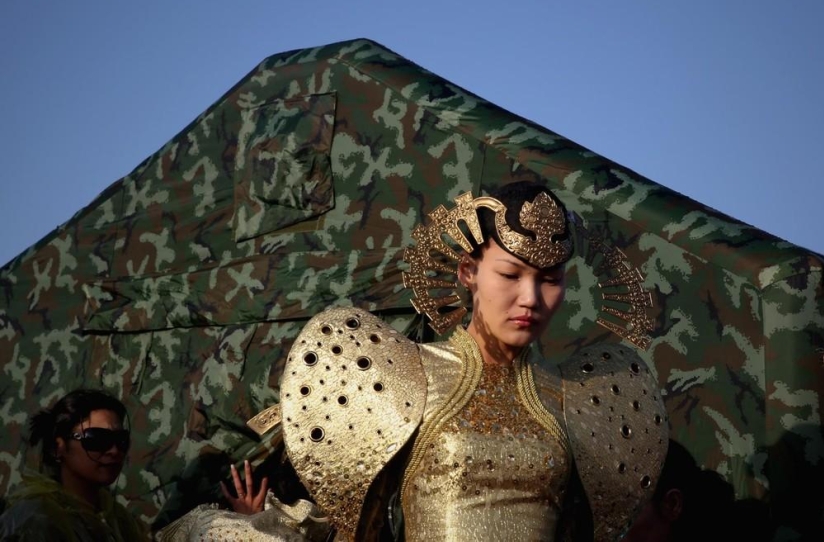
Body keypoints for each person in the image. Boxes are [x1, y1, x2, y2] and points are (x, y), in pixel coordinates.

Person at [160, 181, 669, 542]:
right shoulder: (404, 374)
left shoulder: (582, 399)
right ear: (470, 272)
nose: (531, 298)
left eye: (551, 279)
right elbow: (362, 528)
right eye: (510, 274)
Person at [0, 388, 146, 541]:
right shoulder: (35, 518)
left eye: (121, 440)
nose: (114, 451)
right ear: (57, 448)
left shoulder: (116, 517)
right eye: (97, 439)